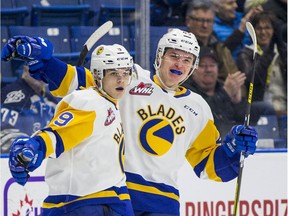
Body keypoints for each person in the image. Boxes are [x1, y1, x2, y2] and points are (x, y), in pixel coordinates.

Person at [2, 30, 258, 216]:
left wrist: (233, 149)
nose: (179, 63)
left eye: (186, 59)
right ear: (159, 56)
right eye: (173, 56)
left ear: (193, 66)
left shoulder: (199, 108)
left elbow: (209, 166)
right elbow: (76, 81)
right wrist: (44, 63)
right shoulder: (130, 76)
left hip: (163, 204)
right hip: (117, 194)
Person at [7, 42, 136, 215]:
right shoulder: (90, 102)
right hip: (85, 203)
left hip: (111, 199)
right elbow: (59, 133)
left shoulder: (112, 99)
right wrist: (36, 147)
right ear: (98, 75)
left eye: (125, 73)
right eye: (114, 74)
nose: (121, 79)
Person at [182, 46, 275, 138]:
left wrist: (237, 102)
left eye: (212, 65)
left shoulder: (223, 87)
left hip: (229, 141)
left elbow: (241, 118)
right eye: (202, 66)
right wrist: (225, 93)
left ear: (218, 69)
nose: (208, 70)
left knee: (267, 107)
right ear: (192, 70)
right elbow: (198, 113)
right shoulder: (186, 90)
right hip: (202, 142)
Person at [237, 11, 287, 115]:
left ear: (274, 31)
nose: (263, 32)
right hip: (260, 111)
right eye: (259, 28)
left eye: (267, 28)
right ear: (253, 32)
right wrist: (269, 52)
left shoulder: (282, 52)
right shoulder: (246, 54)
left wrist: (281, 47)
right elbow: (252, 79)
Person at [1, 65, 58, 154]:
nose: (40, 73)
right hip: (18, 155)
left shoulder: (51, 101)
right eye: (36, 69)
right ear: (25, 69)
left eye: (44, 69)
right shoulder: (9, 94)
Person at [184, 0, 239, 83]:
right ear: (188, 21)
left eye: (209, 21)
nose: (205, 26)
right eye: (200, 20)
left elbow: (235, 78)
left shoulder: (220, 48)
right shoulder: (180, 48)